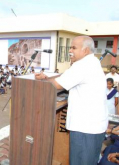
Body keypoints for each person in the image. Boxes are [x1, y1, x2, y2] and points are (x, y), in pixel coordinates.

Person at [36, 36, 108, 165]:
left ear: (85, 50)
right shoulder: (92, 62)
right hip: (94, 125)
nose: (70, 51)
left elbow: (57, 85)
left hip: (85, 127)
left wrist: (43, 79)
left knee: (80, 161)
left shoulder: (83, 65)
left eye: (74, 48)